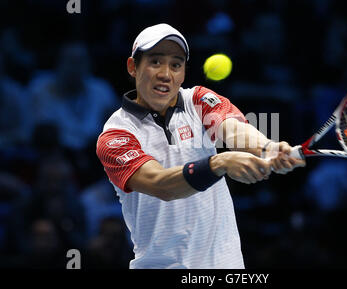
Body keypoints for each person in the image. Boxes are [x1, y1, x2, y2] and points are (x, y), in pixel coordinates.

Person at [96, 23, 305, 269]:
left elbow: (233, 128)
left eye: (176, 64)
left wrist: (268, 148)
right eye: (155, 62)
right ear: (133, 66)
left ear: (183, 72)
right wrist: (220, 163)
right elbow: (161, 185)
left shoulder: (197, 100)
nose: (166, 74)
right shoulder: (116, 134)